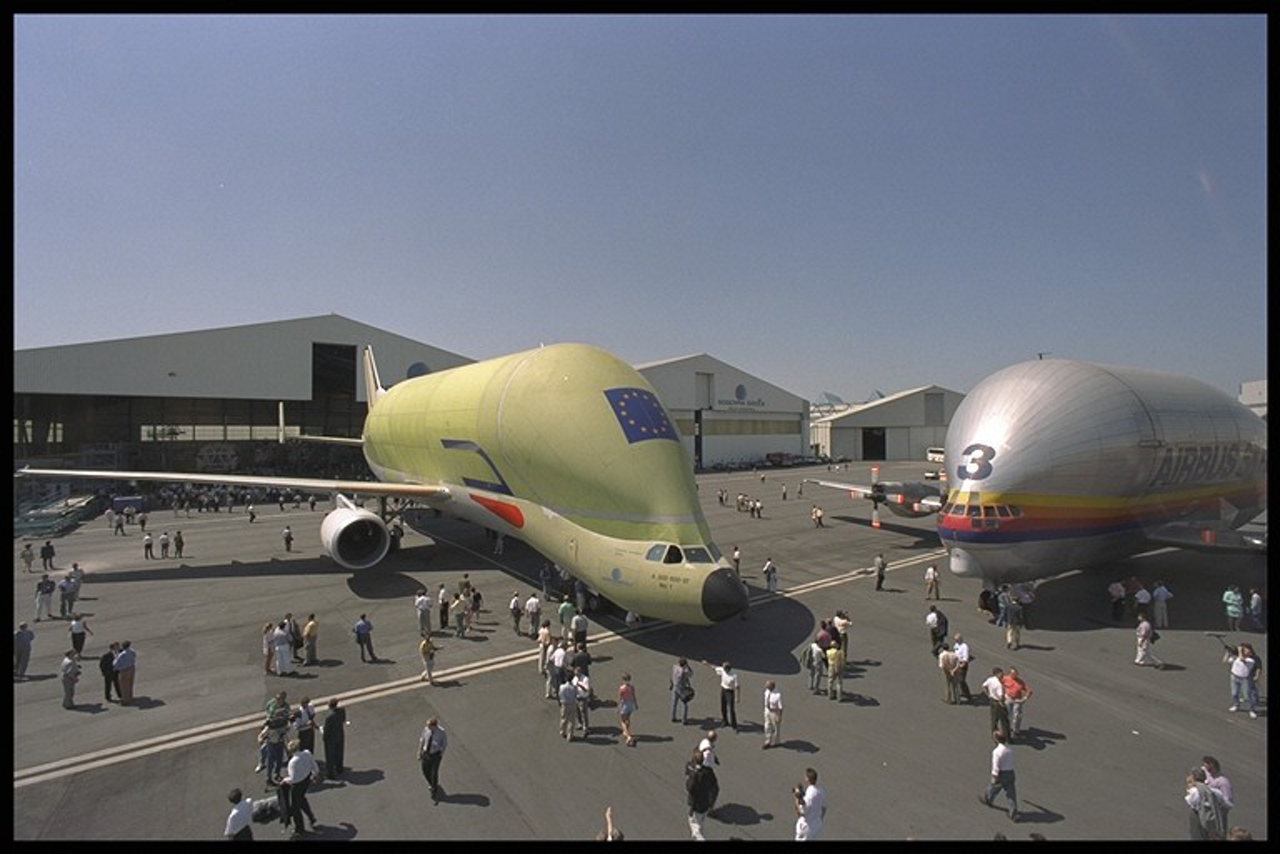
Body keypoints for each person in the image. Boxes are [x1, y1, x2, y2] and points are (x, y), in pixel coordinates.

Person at [281, 739, 318, 835]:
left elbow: (293, 779)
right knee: (301, 799)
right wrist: (314, 774)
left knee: (295, 808)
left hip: (298, 785)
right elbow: (314, 766)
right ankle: (311, 817)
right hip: (307, 780)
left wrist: (285, 780)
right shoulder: (307, 753)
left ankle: (300, 828)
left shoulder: (292, 762)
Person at [981, 729, 1019, 821]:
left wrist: (994, 776)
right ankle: (1013, 813)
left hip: (1002, 774)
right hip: (1010, 773)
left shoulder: (996, 752)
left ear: (996, 739)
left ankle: (988, 799)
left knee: (994, 787)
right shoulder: (1009, 750)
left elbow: (996, 765)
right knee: (1011, 794)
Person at [686, 748, 719, 840]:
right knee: (700, 825)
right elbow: (714, 785)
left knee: (694, 827)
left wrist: (692, 775)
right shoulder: (708, 771)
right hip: (706, 803)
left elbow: (690, 787)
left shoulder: (696, 773)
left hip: (697, 805)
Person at [1186, 767, 1227, 840]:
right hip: (1215, 824)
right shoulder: (1216, 792)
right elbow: (1223, 804)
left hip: (1200, 825)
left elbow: (1191, 802)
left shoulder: (1194, 792)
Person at [703, 659, 740, 729]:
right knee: (723, 707)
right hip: (723, 690)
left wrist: (737, 697)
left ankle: (734, 725)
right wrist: (707, 663)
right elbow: (714, 668)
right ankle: (725, 721)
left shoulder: (734, 675)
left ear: (728, 669)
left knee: (731, 709)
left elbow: (737, 687)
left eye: (725, 669)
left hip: (730, 692)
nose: (723, 670)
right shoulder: (723, 669)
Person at [418, 717, 447, 802]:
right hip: (426, 753)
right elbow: (422, 739)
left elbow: (444, 744)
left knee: (434, 773)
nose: (427, 728)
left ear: (434, 726)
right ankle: (432, 784)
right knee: (425, 771)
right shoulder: (426, 729)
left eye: (429, 726)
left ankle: (434, 790)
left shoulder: (441, 732)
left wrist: (441, 754)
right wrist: (419, 752)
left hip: (435, 755)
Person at [1224, 643, 1258, 718]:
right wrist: (1228, 652)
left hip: (1244, 679)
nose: (1247, 652)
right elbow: (1225, 661)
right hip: (1234, 677)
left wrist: (1239, 649)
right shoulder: (1236, 657)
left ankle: (1252, 710)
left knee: (1247, 696)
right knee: (1234, 693)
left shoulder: (1251, 660)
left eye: (1248, 651)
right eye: (1245, 650)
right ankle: (1236, 705)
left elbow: (1242, 659)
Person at [794, 767, 827, 841]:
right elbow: (824, 808)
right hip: (816, 825)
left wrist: (796, 798)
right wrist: (819, 819)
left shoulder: (808, 796)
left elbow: (800, 813)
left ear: (807, 779)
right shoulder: (822, 791)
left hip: (806, 827)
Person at [1201, 756, 1234, 828]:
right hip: (1205, 815)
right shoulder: (1205, 773)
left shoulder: (1223, 782)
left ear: (1215, 768)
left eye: (1209, 769)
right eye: (1205, 767)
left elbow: (1228, 803)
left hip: (1217, 817)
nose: (1206, 771)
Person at [1001, 667, 1033, 738]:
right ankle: (1007, 729)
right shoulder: (1005, 678)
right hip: (1008, 698)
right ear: (1010, 673)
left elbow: (1029, 690)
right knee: (1007, 714)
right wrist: (1002, 695)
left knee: (1017, 716)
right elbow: (999, 685)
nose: (1015, 675)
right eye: (1013, 674)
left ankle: (1016, 730)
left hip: (1017, 700)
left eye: (1016, 674)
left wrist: (1025, 698)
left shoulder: (1020, 682)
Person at [321, 697, 346, 779]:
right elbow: (343, 720)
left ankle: (330, 773)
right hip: (339, 734)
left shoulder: (329, 717)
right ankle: (339, 768)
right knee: (339, 752)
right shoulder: (342, 711)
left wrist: (324, 737)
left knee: (330, 756)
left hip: (331, 738)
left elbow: (327, 729)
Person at [982, 667, 1009, 737]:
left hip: (992, 701)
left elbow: (983, 686)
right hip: (998, 703)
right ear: (997, 674)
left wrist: (988, 695)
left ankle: (994, 735)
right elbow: (1001, 697)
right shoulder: (999, 685)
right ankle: (1007, 737)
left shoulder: (990, 679)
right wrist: (1003, 704)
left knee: (994, 719)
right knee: (1004, 721)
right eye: (1001, 674)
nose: (1003, 675)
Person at [670, 657, 694, 723]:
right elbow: (691, 674)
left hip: (675, 687)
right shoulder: (684, 671)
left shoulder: (674, 667)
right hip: (682, 689)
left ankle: (673, 717)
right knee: (685, 705)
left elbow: (672, 676)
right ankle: (684, 720)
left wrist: (671, 683)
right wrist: (688, 666)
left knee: (674, 703)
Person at [558, 671, 579, 741]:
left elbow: (560, 695)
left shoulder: (562, 687)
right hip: (572, 704)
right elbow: (576, 695)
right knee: (571, 721)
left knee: (563, 718)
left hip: (564, 704)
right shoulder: (574, 688)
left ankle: (562, 731)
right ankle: (570, 736)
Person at [618, 672, 638, 747]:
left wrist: (619, 706)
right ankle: (626, 732)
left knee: (622, 720)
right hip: (630, 704)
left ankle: (629, 736)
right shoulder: (632, 687)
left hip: (624, 704)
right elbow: (634, 696)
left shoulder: (621, 688)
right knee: (628, 719)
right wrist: (635, 704)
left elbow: (620, 698)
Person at [113, 640, 136, 705]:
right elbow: (134, 655)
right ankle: (130, 697)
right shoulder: (131, 651)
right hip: (132, 668)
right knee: (130, 684)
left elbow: (115, 664)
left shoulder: (122, 654)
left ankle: (126, 700)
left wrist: (117, 668)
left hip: (124, 670)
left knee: (124, 686)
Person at [952, 633, 974, 702]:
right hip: (956, 662)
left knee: (961, 680)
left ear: (960, 639)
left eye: (957, 640)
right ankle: (962, 691)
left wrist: (962, 664)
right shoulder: (956, 645)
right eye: (955, 640)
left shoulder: (964, 646)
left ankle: (968, 695)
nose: (956, 641)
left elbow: (965, 657)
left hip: (962, 664)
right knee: (957, 678)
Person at [762, 680, 784, 749]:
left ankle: (776, 742)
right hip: (767, 710)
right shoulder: (767, 691)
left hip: (774, 712)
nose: (766, 687)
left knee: (776, 727)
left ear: (772, 686)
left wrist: (779, 716)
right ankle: (768, 740)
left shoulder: (778, 695)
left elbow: (781, 707)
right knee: (767, 726)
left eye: (768, 686)